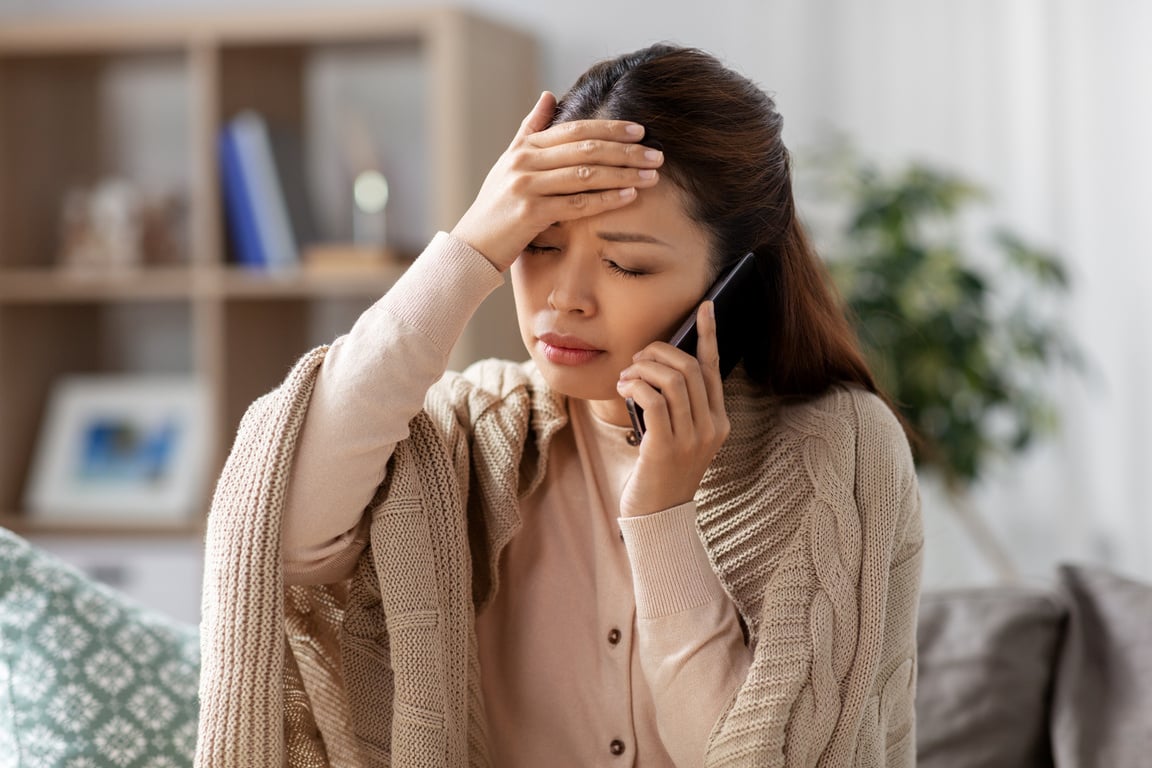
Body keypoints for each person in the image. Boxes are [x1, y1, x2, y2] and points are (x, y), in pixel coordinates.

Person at [196, 44, 923, 768]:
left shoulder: (837, 448)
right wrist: (470, 248)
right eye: (537, 245)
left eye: (624, 263)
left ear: (734, 282)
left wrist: (663, 516)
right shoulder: (464, 434)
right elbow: (276, 535)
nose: (563, 298)